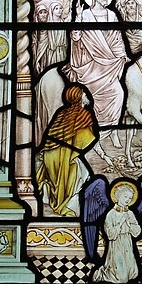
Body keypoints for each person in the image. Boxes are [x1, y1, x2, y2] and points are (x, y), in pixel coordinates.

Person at [62, 0, 129, 148]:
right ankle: (91, 131)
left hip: (109, 65)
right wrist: (78, 17)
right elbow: (76, 37)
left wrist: (121, 54)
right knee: (91, 99)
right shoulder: (85, 15)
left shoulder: (112, 15)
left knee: (119, 93)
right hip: (90, 67)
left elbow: (117, 38)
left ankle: (112, 131)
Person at [36, 85, 96, 216]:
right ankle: (69, 205)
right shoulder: (83, 115)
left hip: (49, 156)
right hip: (64, 156)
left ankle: (49, 192)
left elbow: (51, 137)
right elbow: (85, 140)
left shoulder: (62, 113)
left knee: (60, 181)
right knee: (83, 174)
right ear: (79, 98)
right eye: (85, 94)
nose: (87, 96)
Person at [92, 181, 141, 283]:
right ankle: (102, 273)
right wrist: (120, 223)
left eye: (130, 198)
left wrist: (130, 224)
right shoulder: (111, 214)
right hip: (116, 245)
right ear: (118, 196)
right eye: (125, 196)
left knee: (133, 274)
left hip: (127, 242)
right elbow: (110, 235)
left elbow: (137, 232)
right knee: (121, 278)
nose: (127, 200)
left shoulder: (130, 213)